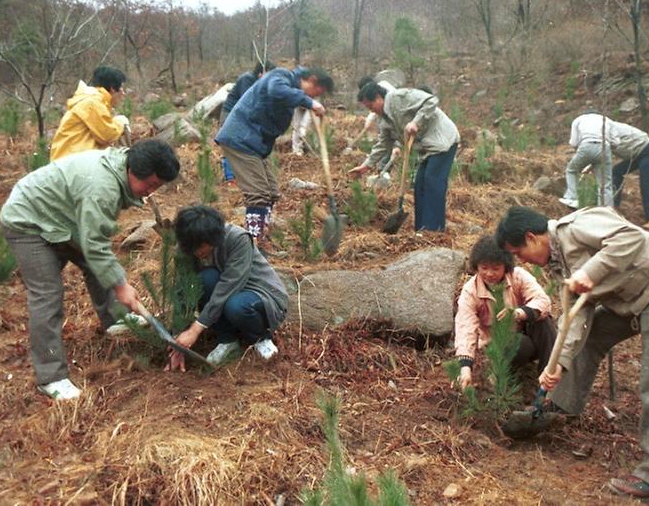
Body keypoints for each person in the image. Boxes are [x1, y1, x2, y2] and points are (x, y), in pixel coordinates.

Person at [495, 205, 649, 502]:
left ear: (532, 237)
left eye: (518, 252)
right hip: (635, 299)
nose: (521, 261)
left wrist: (590, 272)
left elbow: (631, 239)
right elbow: (577, 317)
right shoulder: (557, 261)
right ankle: (557, 406)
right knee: (587, 339)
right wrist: (556, 364)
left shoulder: (577, 226)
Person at [0, 140, 181, 400]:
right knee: (47, 296)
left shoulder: (121, 165)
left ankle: (115, 318)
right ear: (132, 170)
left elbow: (95, 245)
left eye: (157, 187)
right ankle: (51, 377)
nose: (149, 192)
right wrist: (121, 286)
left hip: (63, 220)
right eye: (149, 185)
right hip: (29, 222)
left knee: (97, 265)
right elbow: (95, 246)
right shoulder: (102, 187)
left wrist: (115, 280)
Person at [215, 66, 333, 242]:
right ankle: (253, 245)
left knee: (270, 192)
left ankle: (261, 237)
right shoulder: (281, 76)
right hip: (240, 139)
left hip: (254, 145)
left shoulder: (291, 92)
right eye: (316, 93)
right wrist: (310, 103)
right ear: (312, 80)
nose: (313, 97)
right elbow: (276, 90)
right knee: (258, 194)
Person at [166, 205, 288, 370]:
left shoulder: (238, 239)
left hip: (261, 294)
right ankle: (227, 340)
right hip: (227, 295)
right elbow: (183, 291)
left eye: (201, 246)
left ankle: (261, 339)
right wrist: (177, 339)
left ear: (213, 239)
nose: (196, 252)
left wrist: (195, 329)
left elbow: (227, 287)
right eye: (191, 247)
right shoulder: (187, 247)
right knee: (205, 280)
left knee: (236, 305)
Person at [349, 81, 459, 232]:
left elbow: (431, 100)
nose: (371, 111)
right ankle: (421, 229)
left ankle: (434, 231)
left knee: (432, 182)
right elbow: (383, 144)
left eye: (370, 106)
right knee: (420, 184)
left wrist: (416, 122)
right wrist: (366, 165)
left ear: (378, 98)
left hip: (443, 141)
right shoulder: (383, 120)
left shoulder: (399, 97)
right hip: (427, 148)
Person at [454, 235, 555, 391]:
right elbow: (465, 328)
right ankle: (500, 374)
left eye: (496, 268)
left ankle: (548, 384)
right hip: (500, 344)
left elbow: (543, 301)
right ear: (476, 266)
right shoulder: (470, 291)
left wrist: (518, 313)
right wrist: (465, 367)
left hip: (526, 330)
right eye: (484, 267)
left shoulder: (518, 276)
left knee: (545, 322)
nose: (489, 273)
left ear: (506, 266)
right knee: (520, 345)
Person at [49, 66, 130, 161]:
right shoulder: (93, 102)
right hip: (71, 164)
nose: (124, 93)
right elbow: (107, 135)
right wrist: (120, 122)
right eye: (121, 88)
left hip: (70, 160)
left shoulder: (92, 100)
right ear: (112, 88)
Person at [609, 119, 649, 230]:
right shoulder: (604, 129)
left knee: (646, 183)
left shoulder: (609, 128)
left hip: (647, 151)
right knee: (617, 171)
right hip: (636, 154)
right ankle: (614, 207)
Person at [559, 112, 614, 209]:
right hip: (605, 147)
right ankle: (607, 209)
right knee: (605, 184)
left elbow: (573, 142)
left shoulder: (578, 119)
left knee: (571, 170)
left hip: (586, 145)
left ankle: (572, 198)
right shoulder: (607, 120)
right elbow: (616, 142)